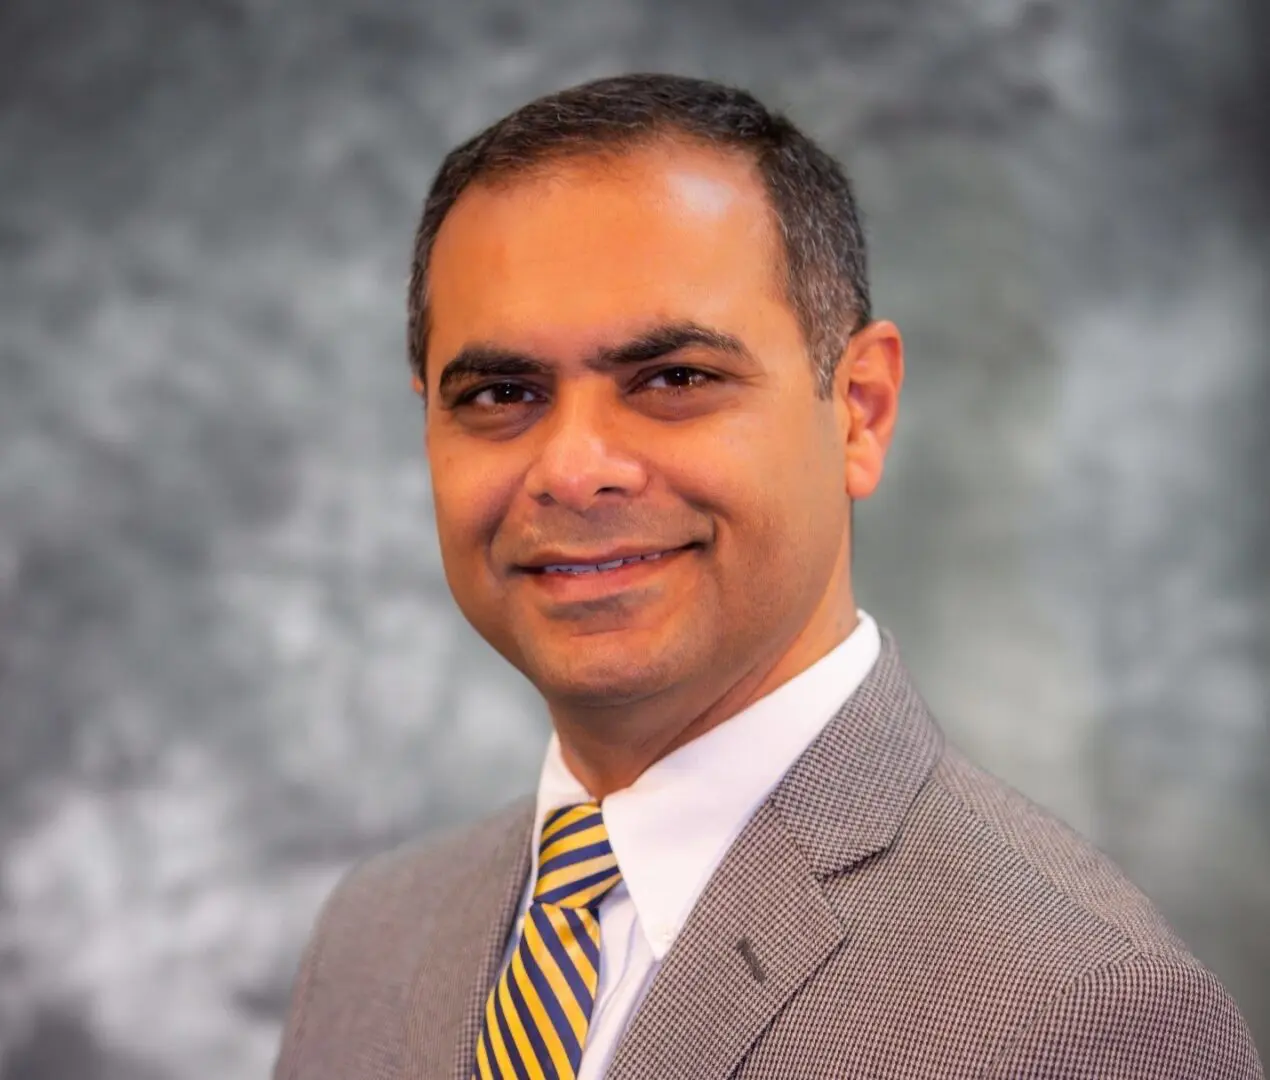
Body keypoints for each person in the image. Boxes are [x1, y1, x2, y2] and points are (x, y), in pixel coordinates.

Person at [271, 73, 1263, 1080]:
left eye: (673, 380)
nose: (572, 469)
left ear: (860, 411)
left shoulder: (1083, 1012)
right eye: (500, 393)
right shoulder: (371, 941)